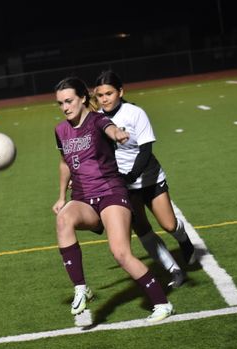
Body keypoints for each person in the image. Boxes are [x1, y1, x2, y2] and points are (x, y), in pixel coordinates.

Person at [53, 76, 173, 323]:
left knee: (120, 253)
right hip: (83, 197)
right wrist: (61, 196)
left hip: (111, 193)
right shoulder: (61, 130)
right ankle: (81, 288)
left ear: (83, 98)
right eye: (60, 103)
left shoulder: (98, 120)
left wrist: (118, 134)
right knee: (63, 219)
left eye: (69, 101)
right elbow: (65, 162)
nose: (65, 107)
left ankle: (162, 303)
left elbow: (109, 128)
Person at [94, 70, 196, 288]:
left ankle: (184, 241)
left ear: (120, 92)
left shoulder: (135, 113)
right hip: (122, 184)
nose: (104, 99)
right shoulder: (97, 119)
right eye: (100, 95)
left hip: (148, 176)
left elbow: (146, 150)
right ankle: (175, 271)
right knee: (141, 229)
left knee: (168, 224)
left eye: (109, 93)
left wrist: (130, 176)